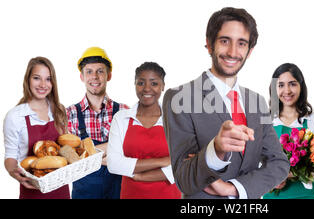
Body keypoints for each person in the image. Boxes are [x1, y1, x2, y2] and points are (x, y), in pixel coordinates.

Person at [162, 7, 289, 199]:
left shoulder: (257, 102)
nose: (232, 52)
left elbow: (279, 163)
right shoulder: (180, 98)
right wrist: (216, 150)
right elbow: (184, 179)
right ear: (209, 44)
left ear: (250, 51)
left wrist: (233, 188)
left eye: (241, 43)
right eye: (224, 41)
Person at [107, 62, 181, 199]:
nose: (147, 89)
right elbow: (113, 164)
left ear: (163, 86)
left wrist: (140, 176)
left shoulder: (175, 119)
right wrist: (162, 161)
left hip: (168, 195)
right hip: (131, 194)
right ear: (134, 85)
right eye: (141, 83)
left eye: (154, 83)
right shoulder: (121, 118)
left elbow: (182, 165)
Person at [66, 47, 128, 199]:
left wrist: (87, 154)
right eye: (89, 71)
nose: (94, 76)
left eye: (100, 71)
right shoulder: (69, 114)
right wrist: (113, 152)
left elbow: (129, 152)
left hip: (118, 192)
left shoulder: (124, 111)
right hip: (83, 194)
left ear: (109, 75)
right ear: (82, 76)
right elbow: (69, 159)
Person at [3, 56, 70, 199]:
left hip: (61, 191)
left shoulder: (59, 110)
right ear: (28, 80)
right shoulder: (15, 116)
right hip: (31, 190)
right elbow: (10, 157)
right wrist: (15, 173)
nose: (43, 84)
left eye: (48, 79)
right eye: (37, 78)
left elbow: (65, 148)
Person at [263, 63, 314, 199]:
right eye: (280, 85)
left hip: (305, 194)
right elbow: (254, 160)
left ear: (301, 86)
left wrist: (288, 174)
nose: (287, 91)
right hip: (273, 192)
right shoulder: (265, 121)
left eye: (292, 84)